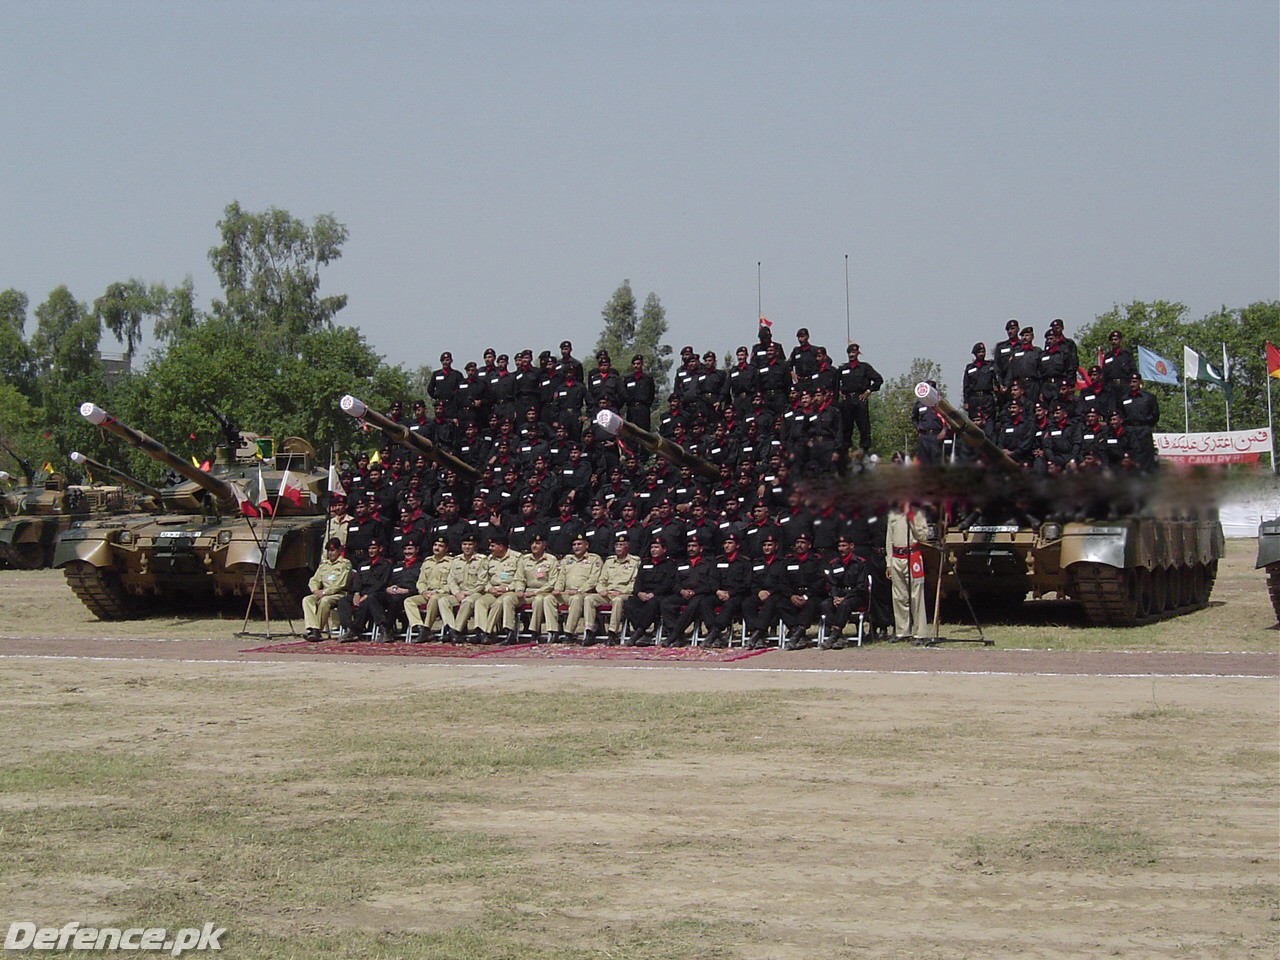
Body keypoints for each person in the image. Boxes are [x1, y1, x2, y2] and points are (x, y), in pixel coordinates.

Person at [885, 503, 930, 642]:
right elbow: (889, 540)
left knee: (916, 595)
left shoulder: (918, 513)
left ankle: (920, 633)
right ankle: (902, 631)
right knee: (899, 596)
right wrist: (889, 562)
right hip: (897, 557)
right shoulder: (892, 514)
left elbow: (924, 536)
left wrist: (913, 521)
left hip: (913, 556)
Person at [819, 533, 872, 649]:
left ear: (851, 546)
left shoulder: (860, 562)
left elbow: (861, 586)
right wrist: (834, 597)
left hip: (856, 596)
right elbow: (831, 584)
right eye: (839, 546)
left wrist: (844, 598)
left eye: (844, 545)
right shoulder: (834, 563)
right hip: (839, 596)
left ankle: (834, 635)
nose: (841, 549)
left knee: (845, 604)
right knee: (825, 605)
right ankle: (840, 637)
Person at [622, 539, 678, 646]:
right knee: (628, 604)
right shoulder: (645, 563)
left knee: (652, 604)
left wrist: (654, 594)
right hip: (643, 594)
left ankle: (640, 631)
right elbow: (638, 581)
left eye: (656, 547)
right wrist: (638, 593)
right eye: (652, 547)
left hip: (659, 595)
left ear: (664, 549)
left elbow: (668, 583)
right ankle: (642, 633)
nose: (653, 550)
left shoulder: (670, 564)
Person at [588, 534, 641, 644]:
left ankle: (612, 633)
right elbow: (601, 580)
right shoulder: (609, 561)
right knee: (589, 599)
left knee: (618, 601)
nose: (618, 548)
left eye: (621, 545)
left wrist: (622, 592)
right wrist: (601, 590)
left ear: (628, 547)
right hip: (608, 593)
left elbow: (634, 582)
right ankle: (589, 631)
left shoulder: (635, 561)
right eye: (616, 545)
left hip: (624, 594)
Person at [337, 539, 392, 640]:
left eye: (374, 548)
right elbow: (357, 580)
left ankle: (382, 629)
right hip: (361, 593)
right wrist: (356, 593)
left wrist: (367, 595)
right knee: (343, 601)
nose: (371, 551)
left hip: (378, 594)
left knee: (370, 599)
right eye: (369, 548)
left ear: (380, 549)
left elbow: (383, 583)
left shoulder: (385, 564)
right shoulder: (363, 564)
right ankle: (350, 627)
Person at [439, 533, 489, 642]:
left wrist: (467, 593)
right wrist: (457, 593)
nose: (467, 547)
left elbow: (483, 582)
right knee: (443, 600)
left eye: (470, 544)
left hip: (475, 593)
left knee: (468, 601)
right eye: (464, 544)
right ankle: (451, 629)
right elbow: (451, 580)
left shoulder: (481, 560)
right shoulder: (456, 560)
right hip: (458, 593)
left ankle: (456, 631)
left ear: (475, 545)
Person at [475, 533, 523, 644]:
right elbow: (483, 578)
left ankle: (492, 632)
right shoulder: (489, 559)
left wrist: (507, 588)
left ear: (501, 546)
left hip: (510, 591)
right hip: (493, 590)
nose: (489, 548)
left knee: (500, 602)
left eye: (492, 546)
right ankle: (481, 632)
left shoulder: (517, 557)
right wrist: (489, 589)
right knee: (480, 602)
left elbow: (520, 578)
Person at [837, 343, 883, 458]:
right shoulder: (843, 368)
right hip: (847, 400)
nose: (851, 355)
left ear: (858, 353)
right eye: (849, 353)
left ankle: (865, 452)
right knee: (846, 427)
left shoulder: (864, 367)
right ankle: (846, 452)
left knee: (864, 427)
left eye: (854, 352)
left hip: (859, 399)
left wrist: (868, 391)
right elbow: (835, 382)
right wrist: (839, 391)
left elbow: (878, 380)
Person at [403, 536, 452, 642]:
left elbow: (452, 583)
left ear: (446, 549)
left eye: (440, 546)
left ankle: (427, 628)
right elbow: (421, 581)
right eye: (435, 545)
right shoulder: (427, 562)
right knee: (409, 601)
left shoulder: (451, 562)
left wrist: (437, 592)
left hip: (443, 593)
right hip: (427, 593)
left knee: (434, 598)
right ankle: (419, 627)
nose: (437, 548)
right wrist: (423, 591)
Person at [302, 538, 352, 641]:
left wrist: (325, 592)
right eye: (328, 551)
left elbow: (341, 584)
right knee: (307, 600)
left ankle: (317, 631)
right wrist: (315, 590)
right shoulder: (324, 565)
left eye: (333, 550)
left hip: (339, 594)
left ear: (339, 550)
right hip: (322, 593)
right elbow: (314, 580)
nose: (330, 553)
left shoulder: (345, 564)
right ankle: (313, 629)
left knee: (325, 601)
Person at [516, 533, 563, 642]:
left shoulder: (551, 560)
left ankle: (534, 631)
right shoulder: (524, 559)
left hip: (544, 592)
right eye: (532, 543)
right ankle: (507, 632)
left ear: (544, 545)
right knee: (507, 599)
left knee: (538, 600)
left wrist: (536, 592)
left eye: (538, 543)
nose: (534, 546)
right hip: (526, 592)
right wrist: (519, 590)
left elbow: (552, 581)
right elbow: (519, 578)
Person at [559, 533, 604, 642]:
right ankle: (553, 631)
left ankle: (569, 632)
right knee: (547, 599)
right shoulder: (567, 559)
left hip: (584, 593)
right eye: (574, 544)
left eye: (579, 544)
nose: (576, 546)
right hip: (566, 593)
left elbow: (593, 580)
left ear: (586, 545)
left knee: (576, 599)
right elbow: (561, 578)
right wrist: (558, 589)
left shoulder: (594, 559)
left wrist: (579, 590)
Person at [1119, 372, 1159, 472]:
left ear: (1139, 382)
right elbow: (1121, 414)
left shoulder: (1148, 397)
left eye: (1134, 382)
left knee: (1146, 457)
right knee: (1130, 457)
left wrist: (1146, 426)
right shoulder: (1124, 398)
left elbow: (1155, 415)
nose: (1132, 384)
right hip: (1129, 430)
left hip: (1144, 430)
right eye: (1130, 382)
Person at [624, 355, 656, 431]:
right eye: (634, 364)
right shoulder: (628, 379)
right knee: (631, 432)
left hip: (643, 409)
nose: (636, 366)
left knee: (644, 433)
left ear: (642, 364)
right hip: (631, 409)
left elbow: (652, 394)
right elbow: (624, 394)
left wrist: (646, 405)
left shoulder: (647, 379)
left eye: (638, 364)